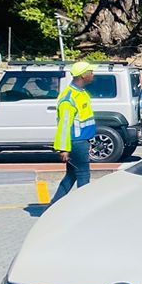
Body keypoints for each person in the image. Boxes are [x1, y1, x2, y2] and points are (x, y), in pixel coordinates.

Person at [51, 61, 98, 204]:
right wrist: (64, 149)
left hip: (81, 140)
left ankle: (54, 205)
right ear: (84, 75)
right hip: (77, 142)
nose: (93, 74)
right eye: (91, 72)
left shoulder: (80, 93)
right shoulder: (69, 98)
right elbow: (64, 126)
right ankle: (84, 208)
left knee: (71, 175)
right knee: (83, 175)